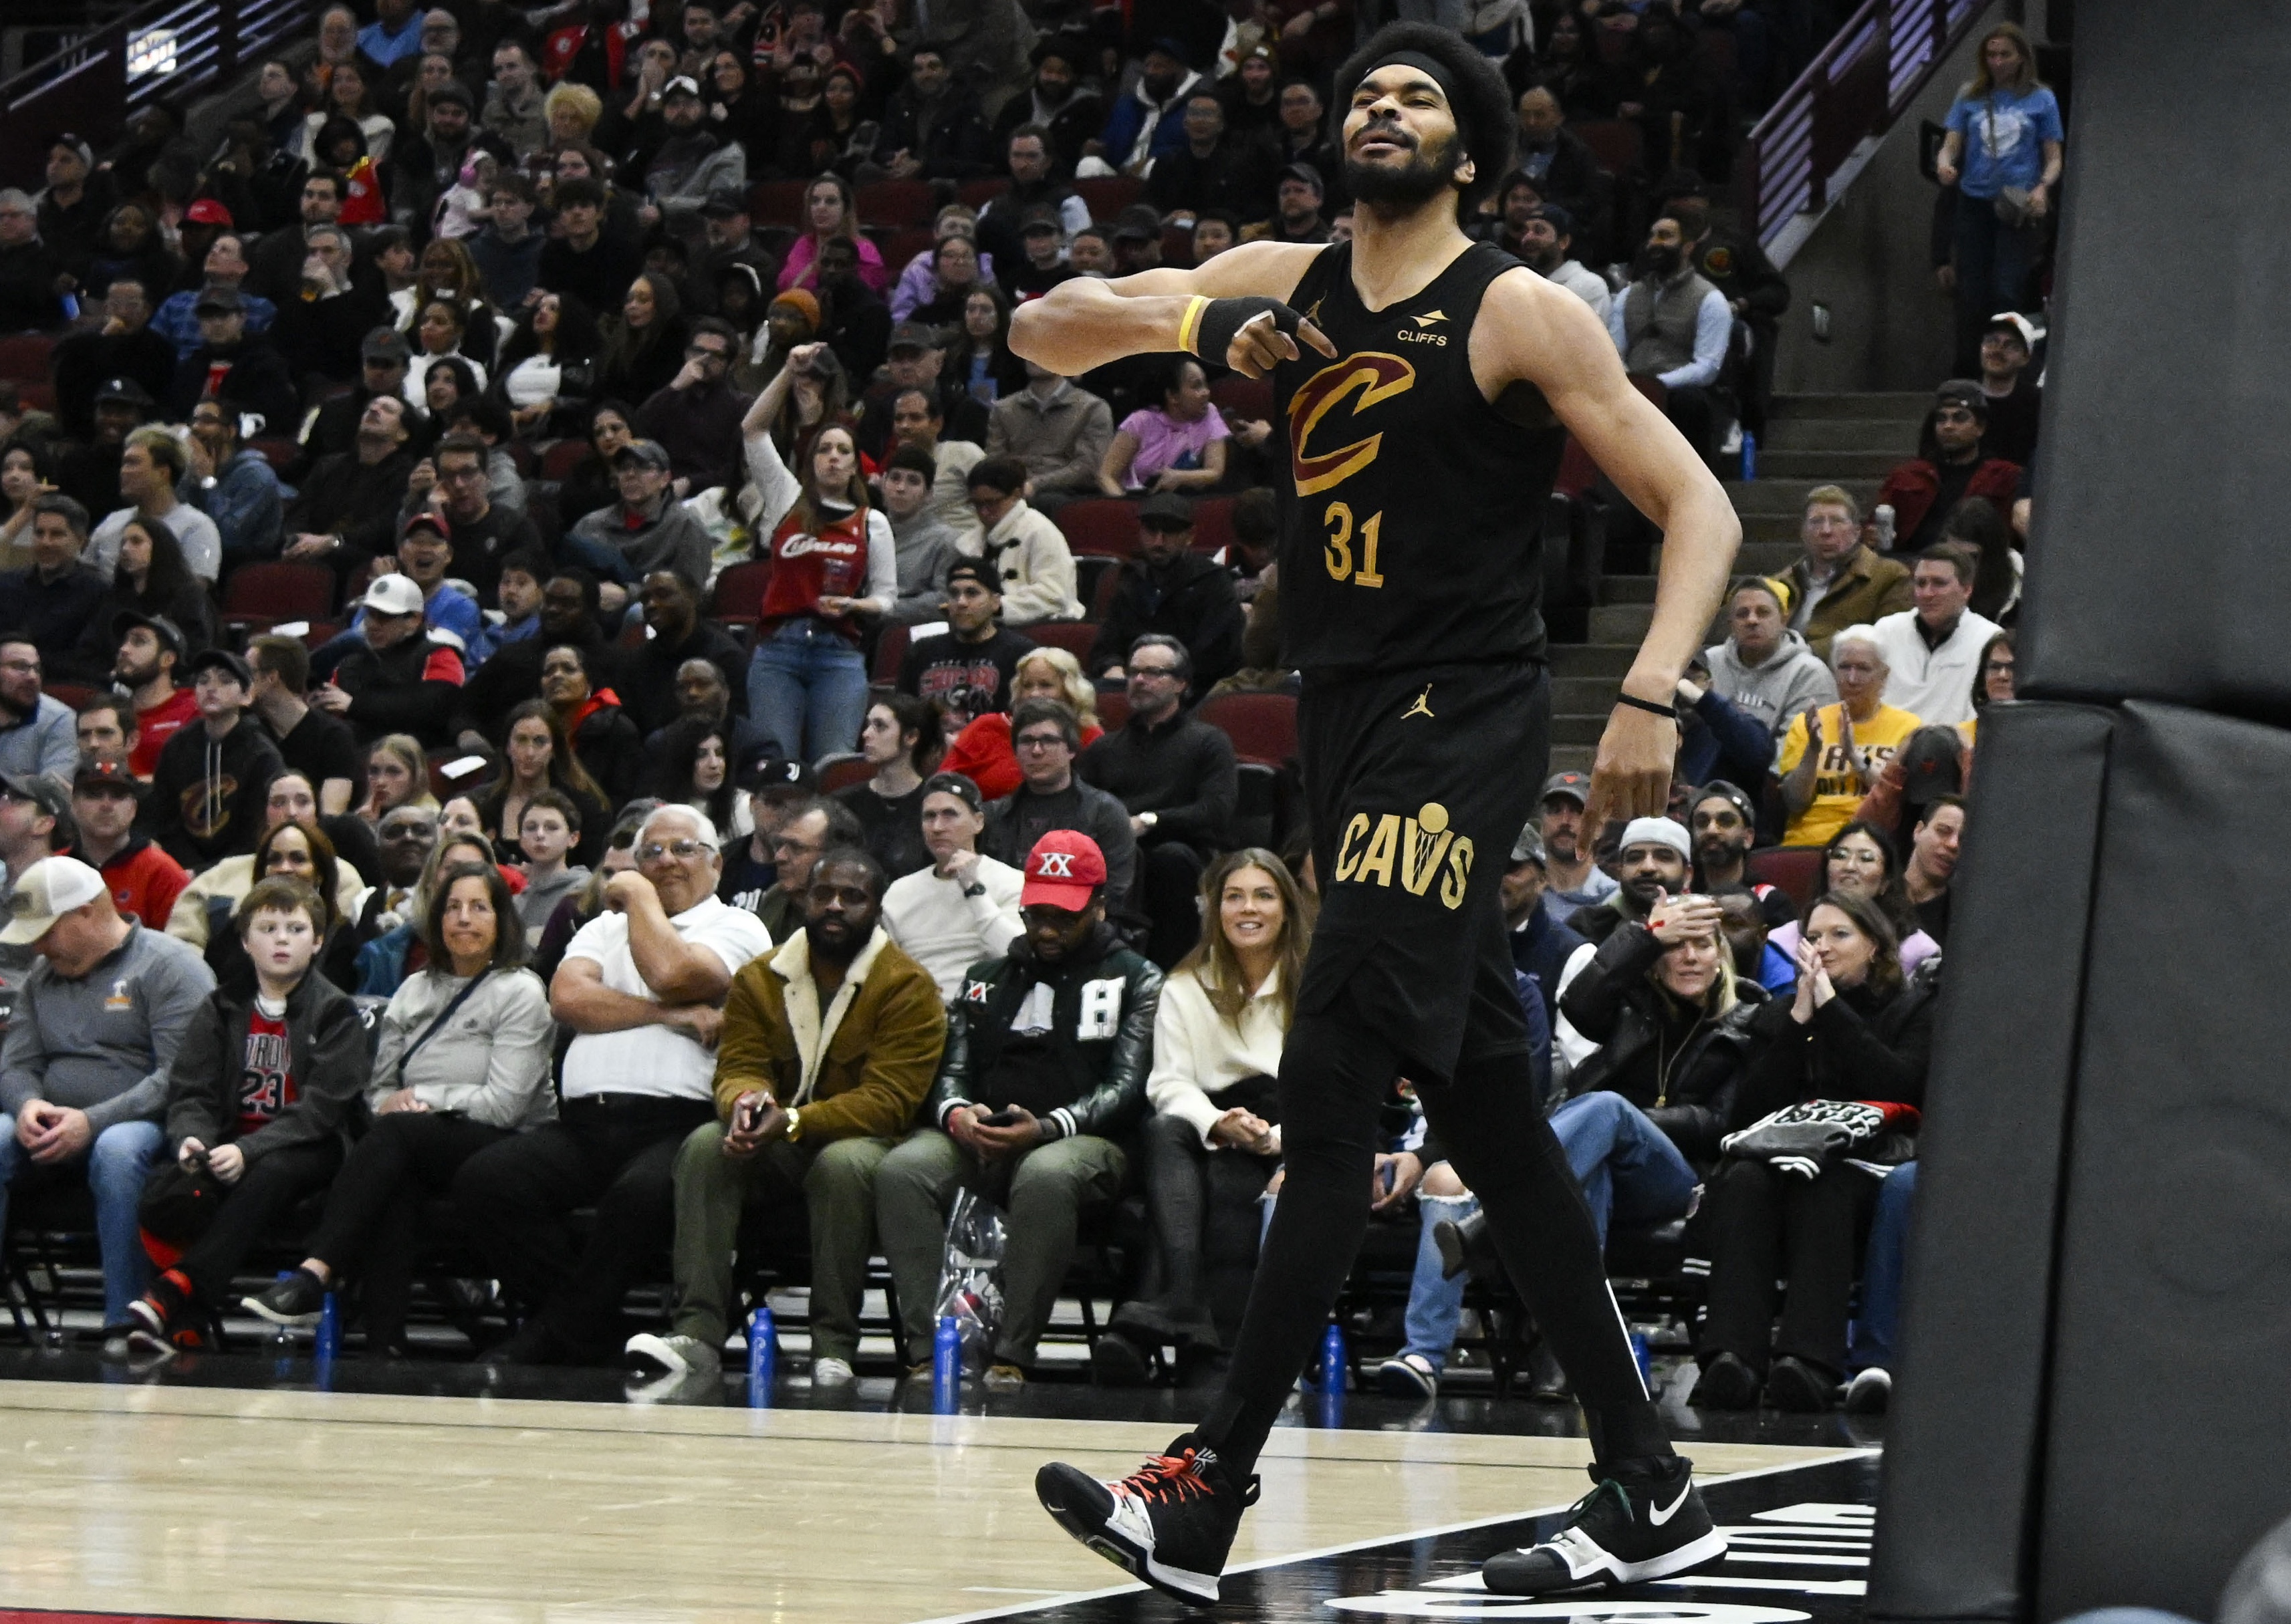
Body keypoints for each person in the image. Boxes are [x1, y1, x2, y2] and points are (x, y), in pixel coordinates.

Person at [1013, 25, 1740, 1595]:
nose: (1381, 107)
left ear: (1467, 150)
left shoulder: (1515, 307)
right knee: (1489, 1115)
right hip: (1343, 715)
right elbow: (1039, 327)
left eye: (1416, 95)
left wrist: (1650, 690)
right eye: (1363, 92)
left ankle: (1208, 1482)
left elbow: (1697, 501)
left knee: (1334, 1070)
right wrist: (1206, 323)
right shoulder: (1284, 282)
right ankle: (1648, 1484)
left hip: (1457, 711)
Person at [457, 805, 772, 1365]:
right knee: (487, 1181)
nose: (666, 862)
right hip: (584, 1124)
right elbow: (568, 999)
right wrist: (671, 1016)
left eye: (683, 849)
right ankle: (595, 1334)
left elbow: (677, 974)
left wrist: (639, 894)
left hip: (679, 1125)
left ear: (717, 864)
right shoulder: (602, 928)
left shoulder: (739, 926)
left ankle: (554, 1335)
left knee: (639, 1198)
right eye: (651, 853)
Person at [627, 845, 947, 1385]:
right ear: (803, 901)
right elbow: (738, 1066)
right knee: (706, 1144)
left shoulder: (908, 986)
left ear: (877, 909)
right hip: (780, 1141)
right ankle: (696, 1333)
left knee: (842, 1164)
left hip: (867, 1139)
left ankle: (833, 1346)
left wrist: (796, 1122)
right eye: (824, 894)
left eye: (852, 897)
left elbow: (889, 1100)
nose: (835, 906)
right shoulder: (759, 977)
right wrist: (746, 1103)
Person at [876, 830, 1161, 1386]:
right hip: (984, 1135)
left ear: (1099, 907)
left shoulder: (1137, 978)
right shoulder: (985, 979)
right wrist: (959, 1115)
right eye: (1036, 915)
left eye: (1064, 916)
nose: (1047, 930)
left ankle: (1012, 1353)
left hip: (1088, 1142)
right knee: (903, 1170)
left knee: (1045, 1174)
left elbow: (1127, 1085)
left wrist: (1048, 1127)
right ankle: (930, 1349)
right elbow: (952, 1070)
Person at [241, 860, 554, 1355]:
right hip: (420, 1142)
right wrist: (393, 1104)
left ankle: (316, 1273)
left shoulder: (521, 991)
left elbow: (506, 1106)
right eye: (452, 907)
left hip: (506, 1143)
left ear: (502, 920)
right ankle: (384, 1348)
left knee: (394, 1138)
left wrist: (424, 1101)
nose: (463, 918)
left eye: (479, 907)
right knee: (394, 1180)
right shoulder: (413, 989)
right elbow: (379, 1089)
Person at [1692, 890, 1936, 1411]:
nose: (1821, 947)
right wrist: (1799, 1021)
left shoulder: (1911, 1008)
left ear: (1874, 946)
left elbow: (1900, 1086)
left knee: (1826, 1185)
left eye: (1838, 935)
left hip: (1871, 1165)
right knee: (1742, 1180)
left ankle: (1808, 1363)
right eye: (1812, 936)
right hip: (1782, 1162)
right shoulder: (1781, 1012)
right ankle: (1730, 1359)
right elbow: (1745, 1117)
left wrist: (1831, 1012)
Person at [115, 877, 370, 1355]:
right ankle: (185, 1324)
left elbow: (320, 1110)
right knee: (176, 1190)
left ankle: (176, 1291)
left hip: (311, 1148)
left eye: (296, 929)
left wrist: (245, 1150)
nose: (281, 940)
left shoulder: (336, 1011)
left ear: (318, 941)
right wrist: (192, 1138)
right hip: (230, 1140)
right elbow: (192, 1091)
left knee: (269, 1171)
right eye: (268, 929)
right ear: (246, 941)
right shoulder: (221, 1006)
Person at [1098, 850, 1309, 1383]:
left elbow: (1333, 1092)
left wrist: (1274, 1138)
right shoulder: (1184, 984)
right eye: (1234, 897)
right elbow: (1167, 1082)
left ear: (1287, 907)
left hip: (1291, 1124)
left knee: (1222, 1179)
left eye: (1263, 896)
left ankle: (1182, 1325)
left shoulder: (1315, 984)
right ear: (1215, 909)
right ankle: (1192, 1314)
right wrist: (1216, 1123)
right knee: (1163, 1128)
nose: (1248, 908)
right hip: (1209, 1118)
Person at [0, 856, 217, 1331]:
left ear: (86, 912)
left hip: (144, 1122)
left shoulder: (170, 966)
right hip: (50, 1121)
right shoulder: (41, 976)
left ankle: (128, 1321)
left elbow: (181, 1076)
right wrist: (27, 1104)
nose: (38, 945)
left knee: (117, 1150)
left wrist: (92, 1121)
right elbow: (16, 1063)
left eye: (46, 932)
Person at [737, 347, 896, 764]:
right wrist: (788, 372)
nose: (834, 458)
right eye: (825, 449)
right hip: (778, 651)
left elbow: (886, 598)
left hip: (839, 652)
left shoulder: (872, 522)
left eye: (844, 451)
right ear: (812, 460)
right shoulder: (786, 500)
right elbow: (753, 430)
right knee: (777, 765)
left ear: (855, 466)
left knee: (833, 764)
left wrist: (853, 605)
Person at [1078, 635, 1238, 966]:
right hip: (1115, 853)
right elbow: (1081, 806)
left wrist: (1151, 821)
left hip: (1184, 855)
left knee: (1169, 858)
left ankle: (1169, 972)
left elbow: (1215, 811)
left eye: (1153, 672)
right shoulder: (1104, 749)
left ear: (1181, 683)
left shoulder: (1208, 742)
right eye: (1133, 672)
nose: (1139, 680)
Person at [1935, 23, 2062, 373]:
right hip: (1974, 202)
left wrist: (2042, 188)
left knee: (2007, 288)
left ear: (2021, 57)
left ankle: (2005, 365)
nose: (1998, 62)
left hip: (2016, 205)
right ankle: (1969, 367)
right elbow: (1951, 143)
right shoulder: (1970, 96)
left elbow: (2053, 156)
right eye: (1991, 55)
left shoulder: (2041, 99)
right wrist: (1945, 164)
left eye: (2005, 54)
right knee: (1971, 291)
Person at [880, 771, 1025, 1000]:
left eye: (950, 815)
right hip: (917, 1008)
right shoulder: (899, 893)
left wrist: (973, 889)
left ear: (978, 822)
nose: (937, 827)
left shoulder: (1012, 881)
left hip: (987, 1006)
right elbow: (885, 971)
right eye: (929, 817)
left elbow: (1016, 953)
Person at [982, 699, 1137, 912]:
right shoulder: (993, 815)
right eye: (1027, 741)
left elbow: (1115, 894)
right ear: (1015, 751)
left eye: (1048, 740)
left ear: (1071, 750)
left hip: (1080, 924)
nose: (1037, 751)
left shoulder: (1105, 812)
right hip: (1005, 919)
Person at [140, 650, 285, 870]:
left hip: (242, 869)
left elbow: (255, 833)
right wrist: (187, 870)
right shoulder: (177, 746)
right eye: (203, 681)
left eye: (225, 681)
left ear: (247, 695)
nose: (211, 688)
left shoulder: (262, 755)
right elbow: (164, 818)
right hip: (180, 868)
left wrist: (206, 873)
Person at [1778, 628, 1923, 849]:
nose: (1852, 679)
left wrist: (1856, 759)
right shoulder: (1807, 723)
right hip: (1809, 842)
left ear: (1884, 676)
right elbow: (1794, 803)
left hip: (1873, 844)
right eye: (1844, 667)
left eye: (1863, 668)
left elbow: (1897, 805)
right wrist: (1813, 750)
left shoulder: (1908, 728)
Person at [1088, 495, 1246, 693]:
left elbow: (1216, 655)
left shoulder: (1213, 582)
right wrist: (1112, 666)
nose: (1159, 541)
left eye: (1169, 532)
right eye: (1151, 531)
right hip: (1132, 685)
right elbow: (1106, 646)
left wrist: (1166, 676)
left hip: (1194, 690)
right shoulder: (1131, 580)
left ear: (1190, 535)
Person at [1606, 211, 1729, 460]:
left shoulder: (1711, 299)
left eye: (1665, 236)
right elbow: (1614, 352)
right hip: (1631, 389)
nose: (1654, 243)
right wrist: (1629, 384)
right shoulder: (1628, 296)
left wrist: (1657, 384)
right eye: (1652, 236)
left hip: (1679, 392)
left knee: (1690, 402)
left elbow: (1707, 367)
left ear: (1688, 247)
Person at [310, 574, 468, 749]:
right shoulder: (350, 664)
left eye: (385, 617)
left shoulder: (440, 654)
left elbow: (434, 706)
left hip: (419, 755)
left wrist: (355, 706)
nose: (373, 625)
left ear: (414, 620)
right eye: (370, 615)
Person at [936, 645, 1104, 801]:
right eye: (1027, 686)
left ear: (1070, 691)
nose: (1034, 694)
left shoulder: (1088, 734)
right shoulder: (986, 727)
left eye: (1046, 685)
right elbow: (940, 787)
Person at [1877, 382, 2023, 557]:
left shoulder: (2004, 476)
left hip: (1976, 565)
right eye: (1941, 419)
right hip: (1910, 563)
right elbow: (1876, 529)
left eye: (1959, 418)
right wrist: (1872, 535)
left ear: (1980, 427)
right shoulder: (1907, 476)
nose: (1948, 426)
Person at [1867, 543, 2004, 729]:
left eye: (1939, 583)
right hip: (1888, 740)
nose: (1927, 593)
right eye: (1920, 583)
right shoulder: (1886, 631)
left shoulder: (1989, 638)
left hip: (1955, 742)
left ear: (1967, 590)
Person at [476, 698, 614, 870]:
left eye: (540, 742)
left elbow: (596, 874)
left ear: (554, 749)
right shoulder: (482, 804)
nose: (530, 752)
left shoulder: (587, 808)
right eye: (521, 740)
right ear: (507, 747)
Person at [1778, 485, 1912, 660]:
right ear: (1803, 533)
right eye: (1816, 521)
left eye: (1837, 521)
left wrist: (1804, 653)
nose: (1826, 531)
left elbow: (1888, 639)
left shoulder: (1890, 576)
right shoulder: (1782, 582)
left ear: (1856, 532)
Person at [566, 438, 713, 595]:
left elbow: (690, 592)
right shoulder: (590, 525)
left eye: (643, 467)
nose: (631, 474)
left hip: (655, 606)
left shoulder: (686, 525)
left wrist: (628, 595)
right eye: (624, 468)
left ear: (665, 479)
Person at [1703, 577, 1836, 748]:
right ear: (1731, 624)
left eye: (1763, 612)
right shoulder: (1709, 662)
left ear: (1784, 620)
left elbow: (1796, 751)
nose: (1752, 620)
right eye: (1742, 614)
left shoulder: (1811, 674)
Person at [632, 315, 753, 497]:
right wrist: (674, 388)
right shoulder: (670, 397)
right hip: (663, 490)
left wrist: (691, 482)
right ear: (687, 354)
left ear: (729, 364)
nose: (705, 359)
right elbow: (638, 429)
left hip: (717, 496)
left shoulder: (741, 406)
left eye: (716, 355)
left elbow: (736, 468)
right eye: (699, 351)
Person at [90, 428, 225, 586]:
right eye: (124, 464)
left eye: (133, 463)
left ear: (162, 473)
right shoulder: (112, 522)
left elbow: (194, 593)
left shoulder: (197, 527)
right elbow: (83, 577)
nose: (124, 471)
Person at [0, 496, 110, 682]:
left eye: (57, 534)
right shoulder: (7, 585)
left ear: (81, 541)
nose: (46, 542)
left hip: (65, 688)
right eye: (39, 533)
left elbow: (90, 662)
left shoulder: (98, 592)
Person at [72, 755, 188, 930]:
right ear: (73, 806)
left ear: (133, 808)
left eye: (118, 796)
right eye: (94, 795)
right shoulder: (55, 868)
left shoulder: (162, 873)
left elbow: (181, 944)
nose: (106, 805)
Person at [966, 456, 1082, 627]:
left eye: (992, 503)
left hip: (1043, 626)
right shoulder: (971, 540)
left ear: (1016, 495)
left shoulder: (1041, 531)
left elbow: (1054, 597)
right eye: (977, 504)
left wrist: (995, 607)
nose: (984, 512)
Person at [988, 362, 1114, 512]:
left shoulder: (1093, 408)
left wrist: (1035, 484)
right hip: (1013, 491)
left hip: (1069, 495)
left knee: (1047, 501)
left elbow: (1088, 467)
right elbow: (994, 461)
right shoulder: (1003, 409)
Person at [181, 396, 286, 575]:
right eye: (194, 420)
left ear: (230, 431)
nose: (196, 428)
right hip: (199, 560)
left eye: (207, 421)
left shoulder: (256, 474)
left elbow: (229, 538)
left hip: (246, 571)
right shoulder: (194, 469)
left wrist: (207, 482)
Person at [835, 695, 935, 880]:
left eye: (880, 726)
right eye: (868, 725)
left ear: (911, 737)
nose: (866, 734)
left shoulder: (935, 805)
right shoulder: (843, 803)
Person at [1099, 355, 1230, 495]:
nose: (1206, 392)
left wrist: (1180, 477)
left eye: (1205, 385)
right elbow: (1106, 476)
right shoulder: (1140, 421)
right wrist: (1124, 503)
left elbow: (1215, 471)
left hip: (1186, 501)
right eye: (1196, 386)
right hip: (1136, 499)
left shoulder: (1209, 414)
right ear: (1173, 396)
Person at [1499, 823, 1588, 1025]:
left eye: (1510, 868)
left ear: (1542, 880)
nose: (1498, 877)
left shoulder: (1574, 956)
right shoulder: (1457, 939)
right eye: (1490, 866)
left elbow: (1575, 1045)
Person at [539, 642, 645, 807]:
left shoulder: (618, 730)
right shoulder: (531, 729)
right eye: (549, 671)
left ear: (589, 683)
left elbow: (623, 796)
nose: (557, 675)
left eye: (569, 669)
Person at [878, 446, 965, 626]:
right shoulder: (866, 529)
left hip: (909, 629)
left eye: (913, 481)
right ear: (883, 483)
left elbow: (944, 599)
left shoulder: (946, 540)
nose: (901, 488)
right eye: (895, 478)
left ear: (929, 494)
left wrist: (878, 609)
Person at [1535, 769, 1619, 924]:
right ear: (1542, 825)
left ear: (1598, 828)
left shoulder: (1615, 901)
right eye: (1555, 810)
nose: (1565, 821)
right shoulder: (1521, 893)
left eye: (1578, 811)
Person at [0, 636, 78, 789]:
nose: (32, 677)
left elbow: (54, 791)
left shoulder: (59, 719)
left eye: (37, 669)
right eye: (20, 667)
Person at [1975, 311, 2040, 467]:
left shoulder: (2038, 404)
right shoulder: (1961, 396)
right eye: (1992, 341)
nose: (1998, 350)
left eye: (2010, 346)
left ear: (2026, 358)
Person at [1963, 629, 2014, 745]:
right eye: (1995, 667)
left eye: (2013, 667)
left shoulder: (2049, 736)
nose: (2003, 675)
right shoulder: (1963, 739)